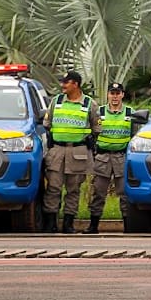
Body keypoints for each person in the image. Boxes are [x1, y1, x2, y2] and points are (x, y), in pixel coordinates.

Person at [42, 69, 100, 234]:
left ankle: (68, 224)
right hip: (57, 151)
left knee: (73, 190)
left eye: (66, 82)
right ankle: (50, 224)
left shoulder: (90, 104)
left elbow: (97, 128)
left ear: (76, 84)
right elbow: (47, 124)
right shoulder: (56, 101)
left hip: (78, 152)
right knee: (53, 188)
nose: (63, 85)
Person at [87, 81, 134, 234]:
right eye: (112, 93)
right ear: (108, 95)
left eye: (118, 93)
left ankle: (128, 227)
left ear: (122, 95)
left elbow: (136, 135)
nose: (115, 97)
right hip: (103, 158)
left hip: (122, 158)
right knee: (98, 193)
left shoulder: (129, 112)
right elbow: (92, 133)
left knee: (124, 194)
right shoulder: (99, 112)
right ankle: (93, 226)